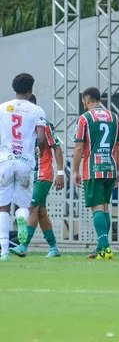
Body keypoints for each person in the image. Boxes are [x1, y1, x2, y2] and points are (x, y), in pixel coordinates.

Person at [72, 87, 119, 260]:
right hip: (110, 167)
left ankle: (105, 247)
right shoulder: (114, 118)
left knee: (97, 209)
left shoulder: (85, 119)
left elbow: (79, 147)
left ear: (87, 99)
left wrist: (74, 170)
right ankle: (101, 248)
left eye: (83, 102)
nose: (84, 105)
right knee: (104, 208)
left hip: (93, 168)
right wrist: (118, 170)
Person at [10, 94, 64, 257]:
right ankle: (54, 248)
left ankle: (23, 246)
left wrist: (60, 172)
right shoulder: (22, 126)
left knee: (32, 207)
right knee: (41, 212)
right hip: (28, 173)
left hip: (43, 173)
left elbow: (56, 147)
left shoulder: (44, 125)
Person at [0, 73, 47, 262]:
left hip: (4, 161)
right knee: (24, 206)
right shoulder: (37, 110)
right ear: (31, 89)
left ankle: (3, 251)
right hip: (25, 162)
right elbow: (42, 138)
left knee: (2, 207)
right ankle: (21, 217)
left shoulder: (2, 108)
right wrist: (39, 149)